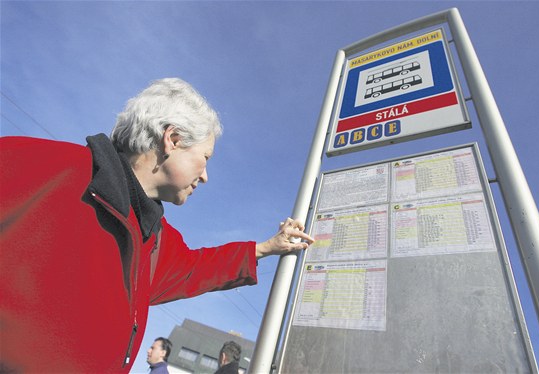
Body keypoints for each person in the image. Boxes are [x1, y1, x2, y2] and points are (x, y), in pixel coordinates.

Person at [0, 78, 314, 373]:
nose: (205, 176)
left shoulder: (154, 240)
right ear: (173, 140)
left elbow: (196, 268)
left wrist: (265, 248)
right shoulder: (36, 163)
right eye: (205, 157)